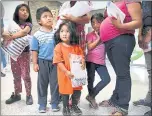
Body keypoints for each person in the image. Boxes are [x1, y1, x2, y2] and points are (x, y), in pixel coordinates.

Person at [99, 0, 142, 115]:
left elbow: (138, 22)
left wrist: (121, 26)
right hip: (110, 41)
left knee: (123, 74)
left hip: (122, 38)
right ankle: (114, 100)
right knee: (119, 73)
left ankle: (123, 107)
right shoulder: (114, 2)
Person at [30, 6, 60, 113]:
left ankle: (55, 103)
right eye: (45, 17)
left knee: (55, 84)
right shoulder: (37, 35)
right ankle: (42, 104)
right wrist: (35, 64)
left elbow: (60, 47)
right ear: (39, 21)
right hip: (42, 62)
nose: (49, 18)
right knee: (42, 84)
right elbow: (34, 50)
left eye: (50, 16)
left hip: (55, 62)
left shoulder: (56, 33)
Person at [2, 4, 33, 105]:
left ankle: (29, 95)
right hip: (13, 54)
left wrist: (10, 36)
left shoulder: (28, 24)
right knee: (16, 75)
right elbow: (4, 34)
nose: (25, 12)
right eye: (22, 10)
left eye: (27, 11)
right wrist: (6, 35)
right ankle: (17, 94)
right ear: (17, 12)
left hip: (24, 54)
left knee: (26, 75)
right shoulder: (12, 24)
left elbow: (24, 33)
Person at [53, 21, 85, 116]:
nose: (64, 33)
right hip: (64, 74)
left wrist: (83, 62)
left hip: (76, 75)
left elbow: (81, 57)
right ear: (59, 33)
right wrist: (66, 71)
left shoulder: (77, 47)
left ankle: (74, 105)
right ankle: (66, 106)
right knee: (65, 92)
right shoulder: (58, 47)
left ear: (72, 33)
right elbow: (58, 62)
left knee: (77, 90)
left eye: (67, 31)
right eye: (62, 31)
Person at [85, 13, 111, 109]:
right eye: (93, 23)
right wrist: (100, 39)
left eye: (98, 22)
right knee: (90, 81)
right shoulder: (89, 35)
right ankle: (92, 98)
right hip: (90, 61)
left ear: (103, 23)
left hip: (101, 62)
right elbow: (90, 47)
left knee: (106, 79)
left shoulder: (107, 34)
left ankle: (91, 96)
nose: (95, 25)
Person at [133, 1, 152, 116]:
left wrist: (150, 33)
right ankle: (149, 99)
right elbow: (141, 16)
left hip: (150, 32)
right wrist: (140, 35)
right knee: (150, 71)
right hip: (145, 32)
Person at [0, 1, 7, 77]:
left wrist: (4, 39)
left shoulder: (1, 19)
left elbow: (2, 30)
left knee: (2, 53)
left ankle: (2, 69)